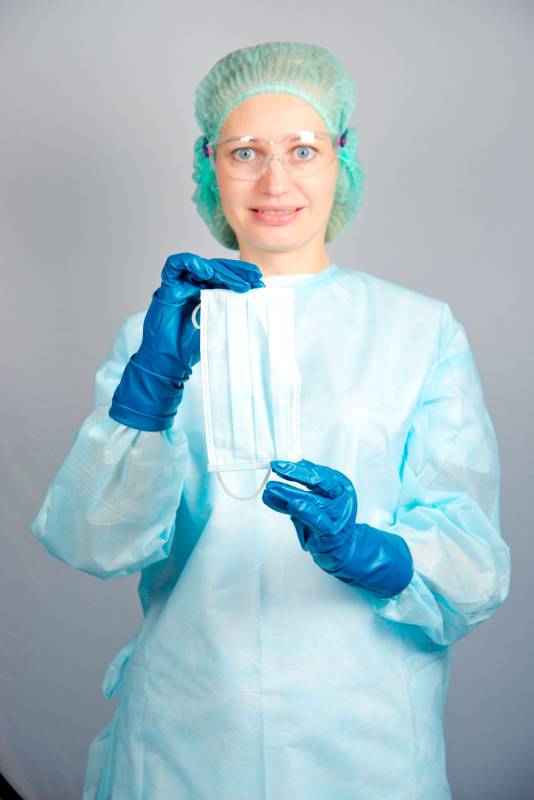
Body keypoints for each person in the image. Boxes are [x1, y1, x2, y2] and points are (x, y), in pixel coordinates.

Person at [31, 41, 511, 800]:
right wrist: (150, 388)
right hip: (187, 724)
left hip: (364, 730)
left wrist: (368, 551)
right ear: (209, 162)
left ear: (342, 158)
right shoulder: (161, 334)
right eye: (246, 151)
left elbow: (474, 562)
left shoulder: (419, 331)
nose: (275, 181)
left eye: (303, 150)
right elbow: (92, 542)